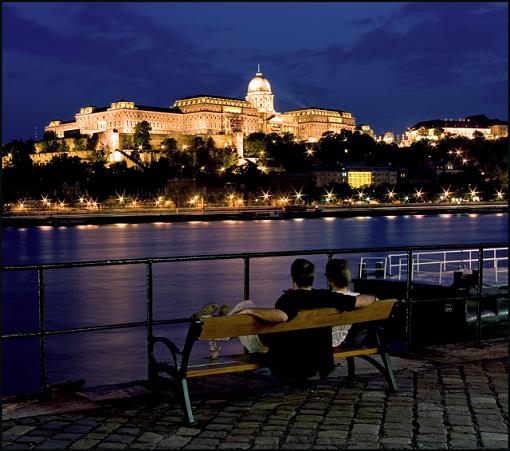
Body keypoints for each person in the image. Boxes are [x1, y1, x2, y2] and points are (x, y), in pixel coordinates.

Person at [264, 258, 377, 383]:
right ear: (314, 277)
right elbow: (361, 301)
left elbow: (282, 316)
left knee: (248, 312)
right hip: (320, 352)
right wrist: (374, 297)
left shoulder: (286, 299)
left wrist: (251, 310)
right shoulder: (327, 297)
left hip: (292, 354)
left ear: (293, 277)